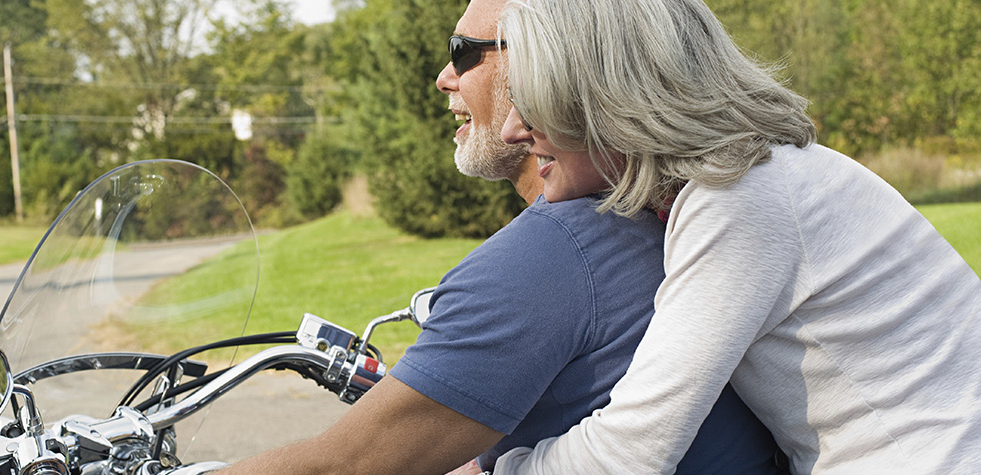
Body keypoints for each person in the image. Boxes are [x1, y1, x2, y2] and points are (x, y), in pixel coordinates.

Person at [215, 1, 781, 473]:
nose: (444, 76)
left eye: (464, 51)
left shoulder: (550, 259)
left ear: (553, 63)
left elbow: (343, 466)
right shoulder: (669, 216)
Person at [492, 0, 981, 473]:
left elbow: (630, 452)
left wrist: (496, 470)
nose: (513, 129)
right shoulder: (770, 172)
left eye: (532, 102)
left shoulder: (740, 200)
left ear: (607, 98)